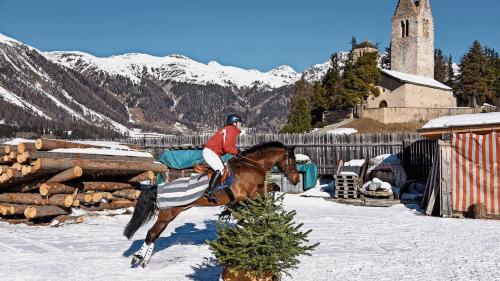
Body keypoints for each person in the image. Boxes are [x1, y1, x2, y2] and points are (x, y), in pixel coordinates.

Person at [202, 114, 242, 203]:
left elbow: (227, 147)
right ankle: (209, 192)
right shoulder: (230, 130)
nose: (240, 124)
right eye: (239, 122)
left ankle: (228, 196)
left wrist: (236, 151)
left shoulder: (230, 130)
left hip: (213, 153)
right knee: (220, 170)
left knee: (225, 170)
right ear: (234, 123)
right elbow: (227, 147)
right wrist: (237, 152)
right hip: (210, 152)